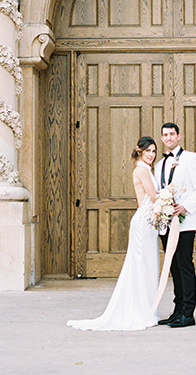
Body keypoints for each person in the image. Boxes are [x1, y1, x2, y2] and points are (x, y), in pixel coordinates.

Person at [67, 136, 159, 331]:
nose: (151, 154)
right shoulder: (141, 170)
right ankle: (139, 311)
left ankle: (147, 309)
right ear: (140, 151)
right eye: (148, 150)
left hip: (150, 222)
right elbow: (153, 196)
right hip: (143, 221)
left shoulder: (147, 169)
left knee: (148, 265)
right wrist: (170, 196)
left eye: (153, 151)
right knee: (141, 265)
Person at [155, 122, 196, 328]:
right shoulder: (159, 165)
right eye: (165, 135)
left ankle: (188, 313)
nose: (168, 138)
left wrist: (184, 207)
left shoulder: (191, 158)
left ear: (179, 136)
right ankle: (177, 311)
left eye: (172, 134)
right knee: (174, 268)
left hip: (184, 223)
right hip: (165, 224)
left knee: (184, 265)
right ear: (162, 138)